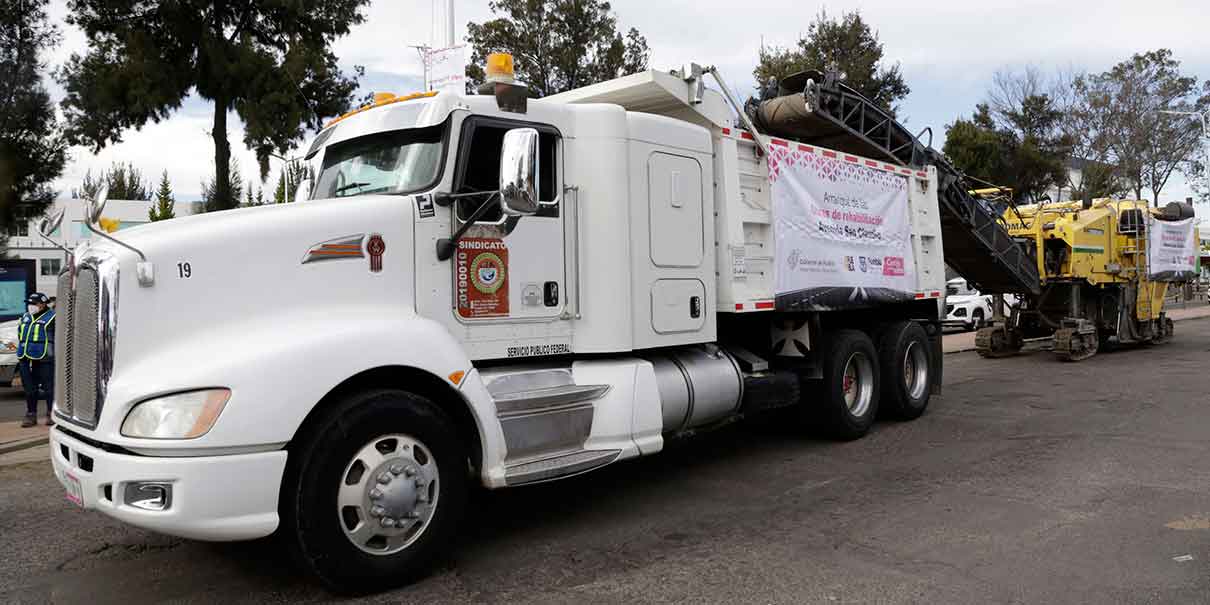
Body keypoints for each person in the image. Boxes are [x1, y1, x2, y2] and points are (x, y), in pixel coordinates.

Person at [16, 292, 55, 427]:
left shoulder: (53, 317)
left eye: (34, 303)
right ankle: (31, 415)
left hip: (45, 358)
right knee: (29, 389)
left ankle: (51, 414)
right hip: (25, 358)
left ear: (43, 304)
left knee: (49, 388)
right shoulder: (25, 317)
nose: (30, 306)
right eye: (29, 304)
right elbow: (20, 334)